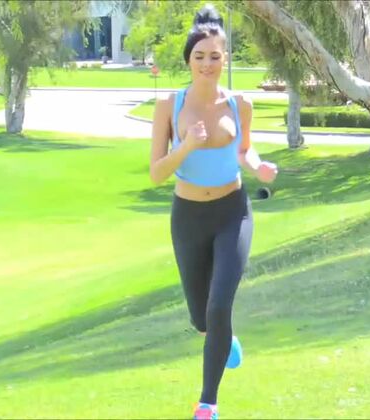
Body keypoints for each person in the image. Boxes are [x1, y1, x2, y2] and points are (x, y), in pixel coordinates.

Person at [148, 4, 278, 419]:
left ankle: (207, 403)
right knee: (202, 318)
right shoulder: (169, 105)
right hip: (188, 217)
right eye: (199, 56)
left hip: (232, 213)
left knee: (219, 305)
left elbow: (244, 150)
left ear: (226, 59)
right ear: (189, 59)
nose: (207, 64)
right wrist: (186, 146)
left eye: (215, 56)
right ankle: (223, 339)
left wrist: (258, 166)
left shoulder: (240, 104)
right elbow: (156, 173)